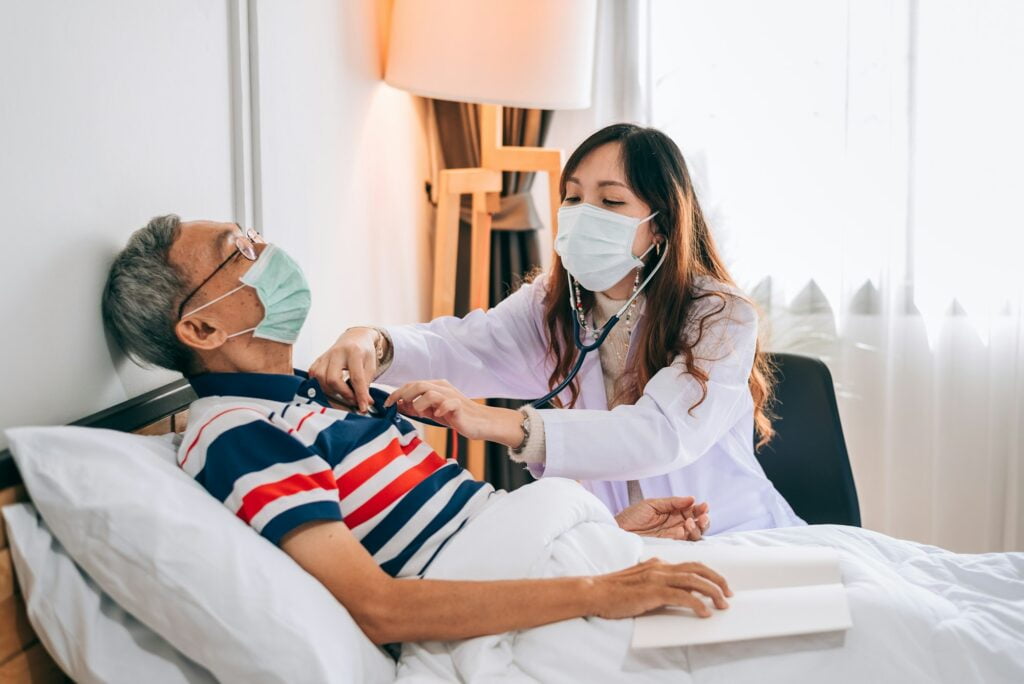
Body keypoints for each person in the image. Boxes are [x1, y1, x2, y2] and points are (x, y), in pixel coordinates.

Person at [100, 215, 730, 645]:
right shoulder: (239, 434)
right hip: (542, 604)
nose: (265, 252)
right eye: (237, 251)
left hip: (556, 560)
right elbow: (379, 608)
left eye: (252, 234)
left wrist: (603, 534)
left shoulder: (321, 391)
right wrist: (599, 590)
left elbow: (462, 524)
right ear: (202, 331)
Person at [311, 124, 803, 534]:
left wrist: (495, 423)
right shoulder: (552, 304)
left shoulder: (720, 313)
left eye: (611, 202)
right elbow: (461, 347)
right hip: (621, 538)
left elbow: (659, 435)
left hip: (731, 534)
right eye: (572, 198)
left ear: (660, 225)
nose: (583, 215)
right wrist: (374, 342)